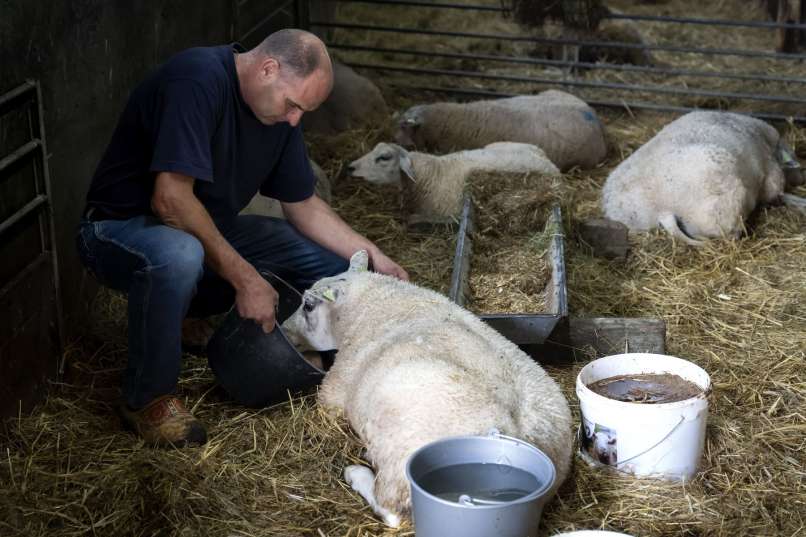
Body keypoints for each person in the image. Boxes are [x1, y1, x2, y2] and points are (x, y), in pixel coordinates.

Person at [75, 29, 408, 447]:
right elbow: (170, 199)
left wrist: (371, 255)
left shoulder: (280, 114)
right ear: (268, 69)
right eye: (293, 105)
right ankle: (147, 398)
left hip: (200, 231)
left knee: (335, 265)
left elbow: (303, 204)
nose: (295, 120)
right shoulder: (196, 80)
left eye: (303, 110)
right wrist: (247, 280)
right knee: (180, 254)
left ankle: (337, 359)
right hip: (119, 230)